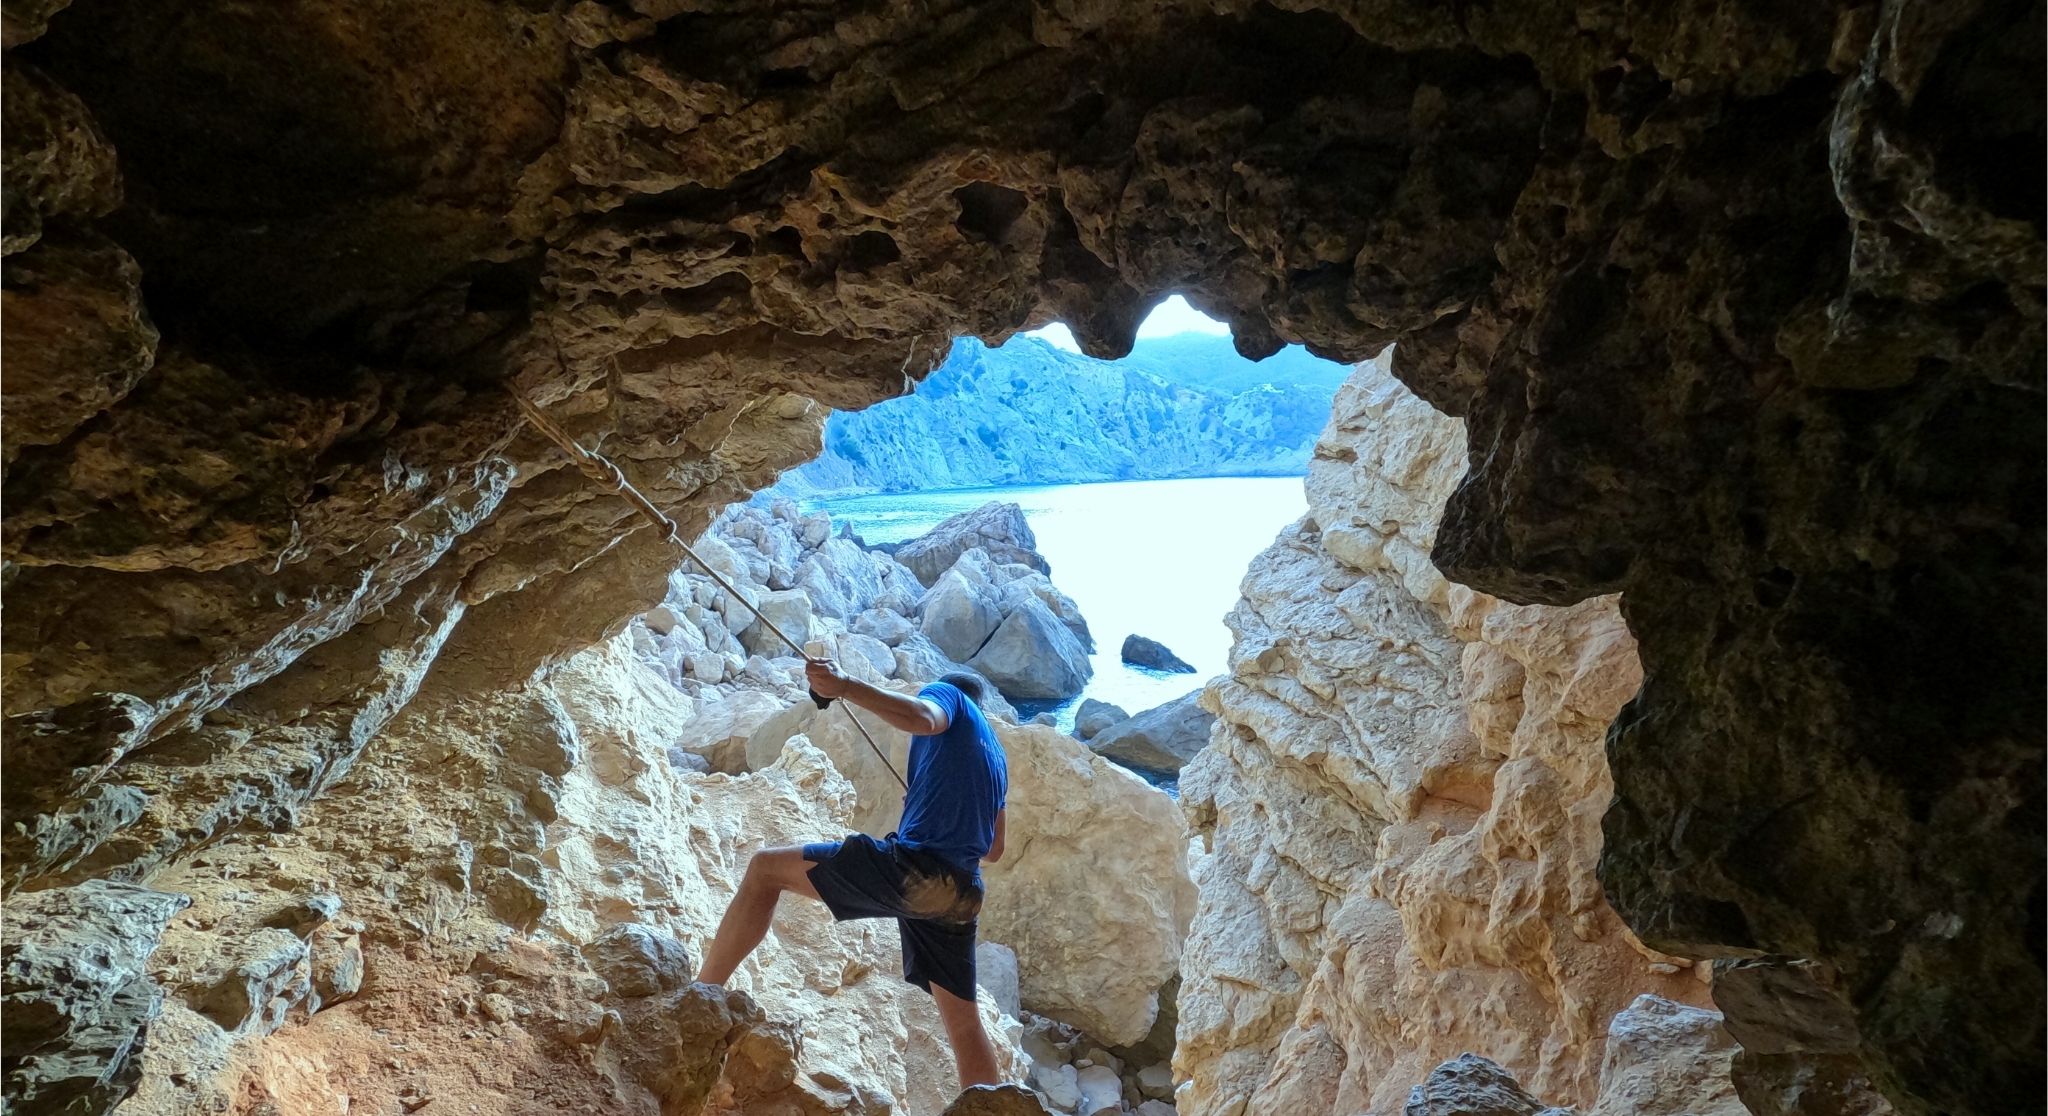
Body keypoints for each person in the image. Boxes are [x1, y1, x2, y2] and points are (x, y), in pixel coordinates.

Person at [695, 663, 1010, 1089]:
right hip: (963, 893)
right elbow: (993, 849)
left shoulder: (951, 696)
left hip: (918, 872)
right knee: (964, 1024)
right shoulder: (996, 760)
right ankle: (989, 1104)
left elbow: (922, 717)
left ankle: (701, 993)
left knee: (765, 870)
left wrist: (844, 686)